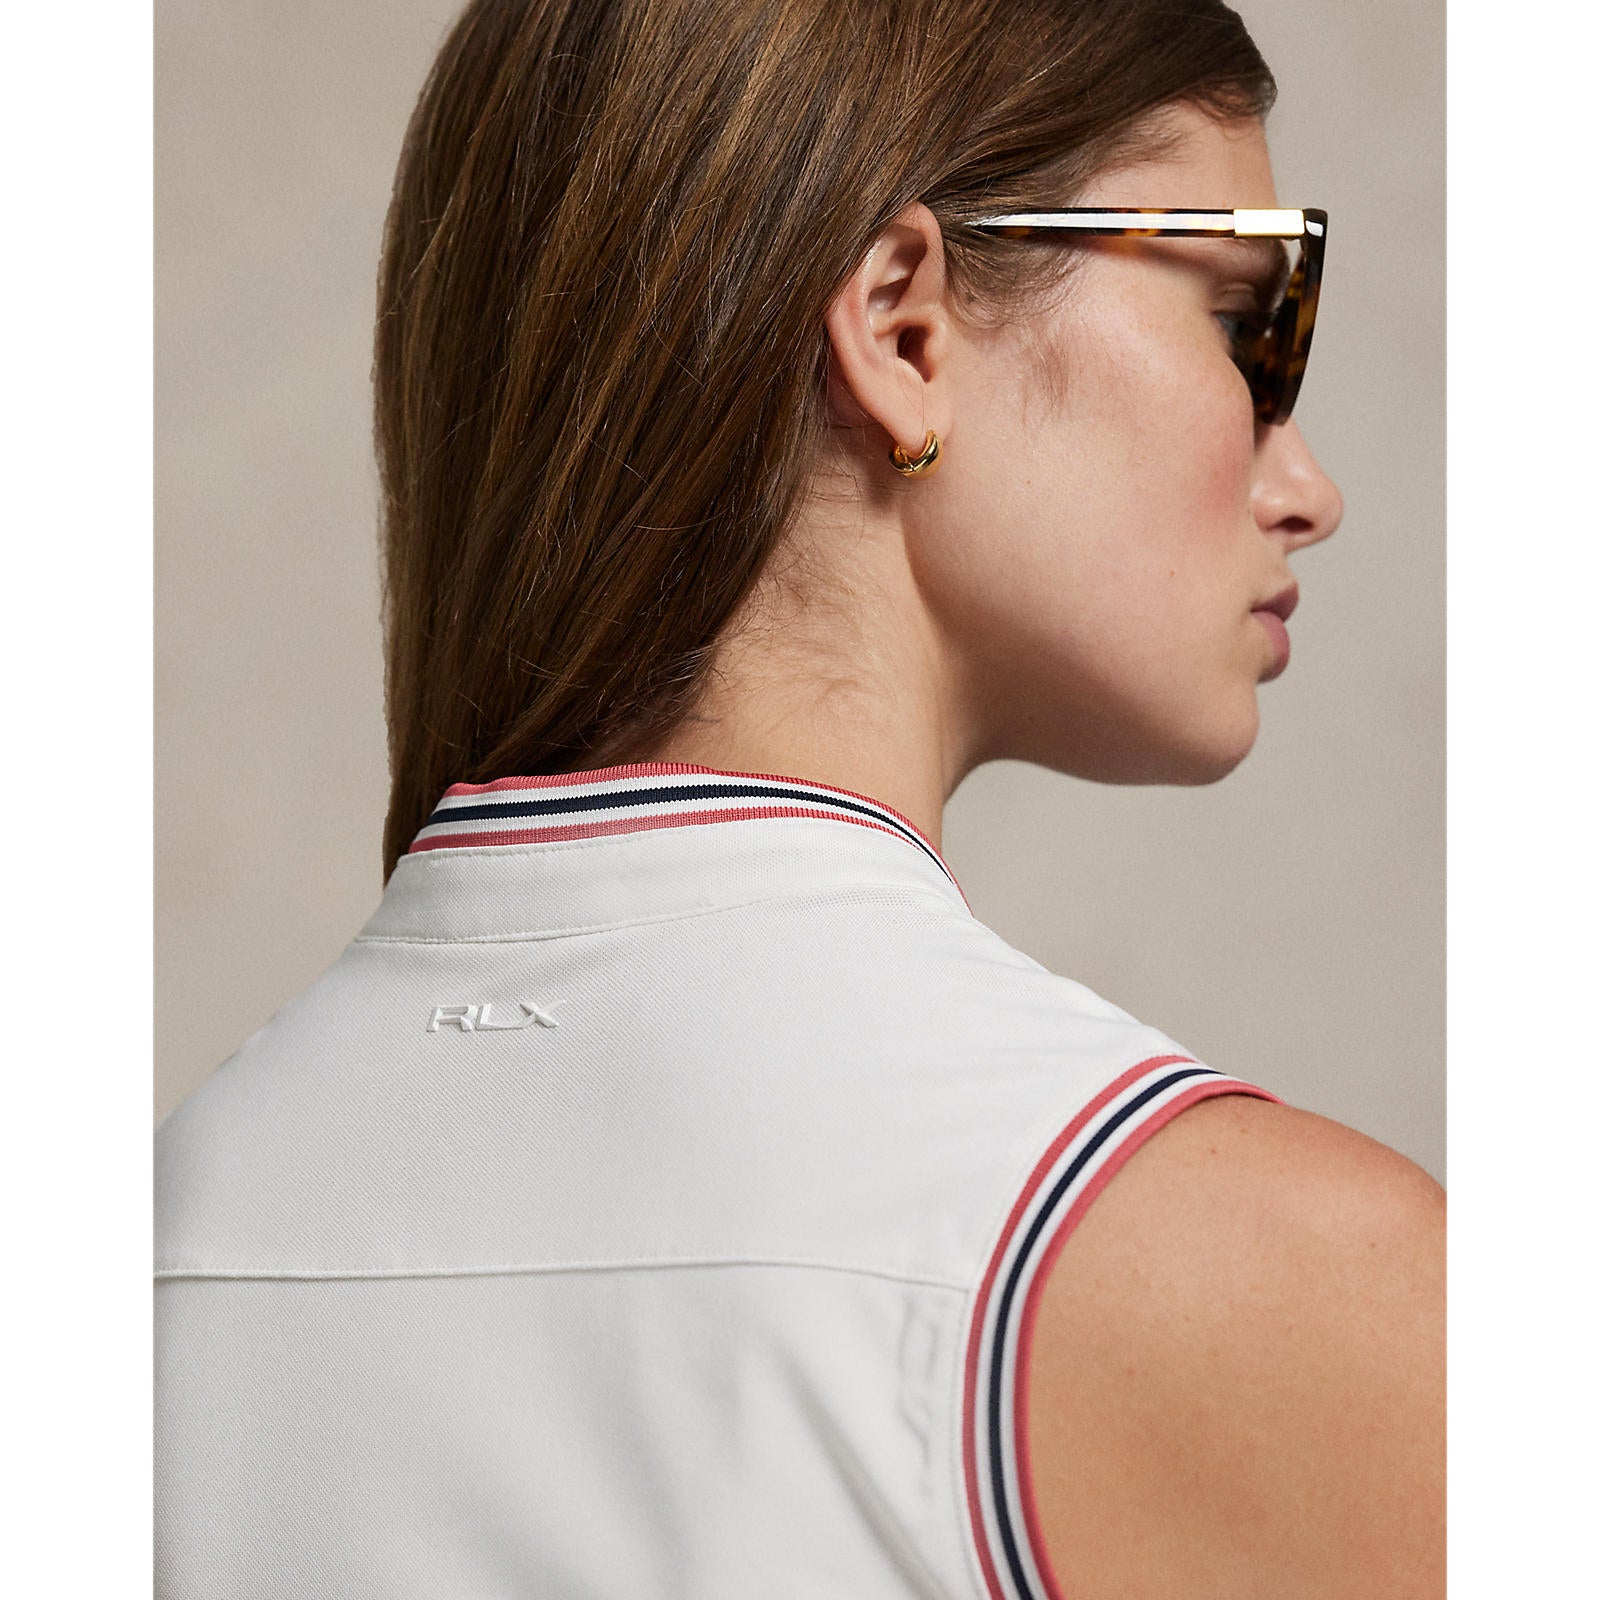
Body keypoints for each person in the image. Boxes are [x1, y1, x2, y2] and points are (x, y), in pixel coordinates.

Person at [155, 1, 1444, 1595]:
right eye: (1250, 316)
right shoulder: (1294, 1289)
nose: (1306, 486)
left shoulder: (160, 1248)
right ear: (903, 330)